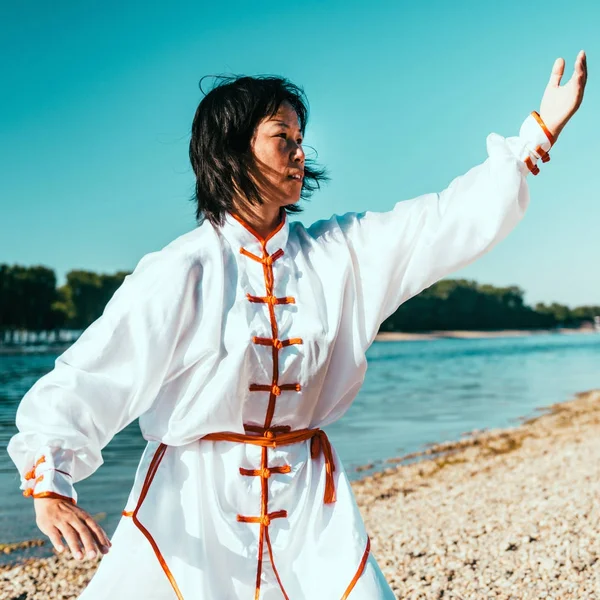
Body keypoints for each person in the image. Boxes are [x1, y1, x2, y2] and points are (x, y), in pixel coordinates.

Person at [8, 52, 587, 599]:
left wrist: (535, 136)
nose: (299, 153)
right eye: (282, 138)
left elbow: (439, 222)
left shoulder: (340, 254)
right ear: (231, 151)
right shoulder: (181, 269)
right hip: (193, 505)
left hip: (311, 503)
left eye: (301, 139)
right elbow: (97, 372)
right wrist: (50, 480)